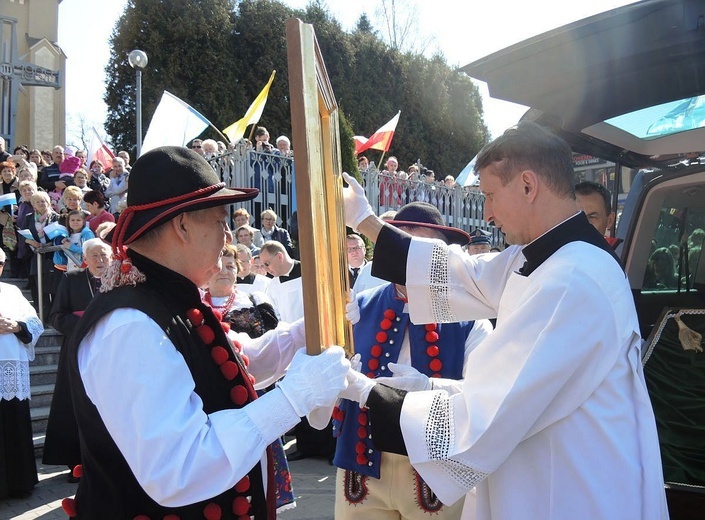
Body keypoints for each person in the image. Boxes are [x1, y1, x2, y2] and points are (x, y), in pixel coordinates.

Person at [340, 121, 668, 520]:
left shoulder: (572, 279)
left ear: (528, 186)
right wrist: (367, 222)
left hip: (569, 487)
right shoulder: (546, 256)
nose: (489, 214)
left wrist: (368, 392)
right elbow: (463, 275)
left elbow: (491, 410)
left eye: (491, 196)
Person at [61, 146, 349, 519]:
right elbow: (181, 466)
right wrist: (295, 398)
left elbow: (230, 369)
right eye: (219, 221)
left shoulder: (169, 300)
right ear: (182, 226)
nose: (228, 236)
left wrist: (304, 333)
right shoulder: (130, 326)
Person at [332, 202, 493, 520]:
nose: (405, 257)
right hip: (363, 468)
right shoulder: (356, 307)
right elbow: (321, 395)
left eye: (416, 247)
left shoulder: (472, 322)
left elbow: (485, 397)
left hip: (437, 476)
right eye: (399, 241)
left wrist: (431, 388)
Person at [203, 243, 295, 511]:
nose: (224, 271)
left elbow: (274, 342)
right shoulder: (193, 302)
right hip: (210, 396)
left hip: (254, 390)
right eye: (219, 265)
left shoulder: (254, 301)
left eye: (231, 266)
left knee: (259, 459)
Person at [43, 238, 112, 481]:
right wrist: (86, 325)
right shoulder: (71, 279)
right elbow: (56, 316)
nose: (100, 260)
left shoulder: (121, 281)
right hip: (79, 351)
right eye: (94, 255)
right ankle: (77, 463)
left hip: (112, 354)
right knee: (78, 405)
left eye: (104, 255)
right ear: (85, 258)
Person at [0, 248, 44, 498]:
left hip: (12, 372)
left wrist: (17, 326)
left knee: (14, 425)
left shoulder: (12, 291)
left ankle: (18, 483)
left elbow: (35, 323)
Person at [575, 181, 620, 249]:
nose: (583, 225)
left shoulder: (619, 256)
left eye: (592, 217)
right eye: (577, 217)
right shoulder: (555, 256)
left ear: (609, 221)